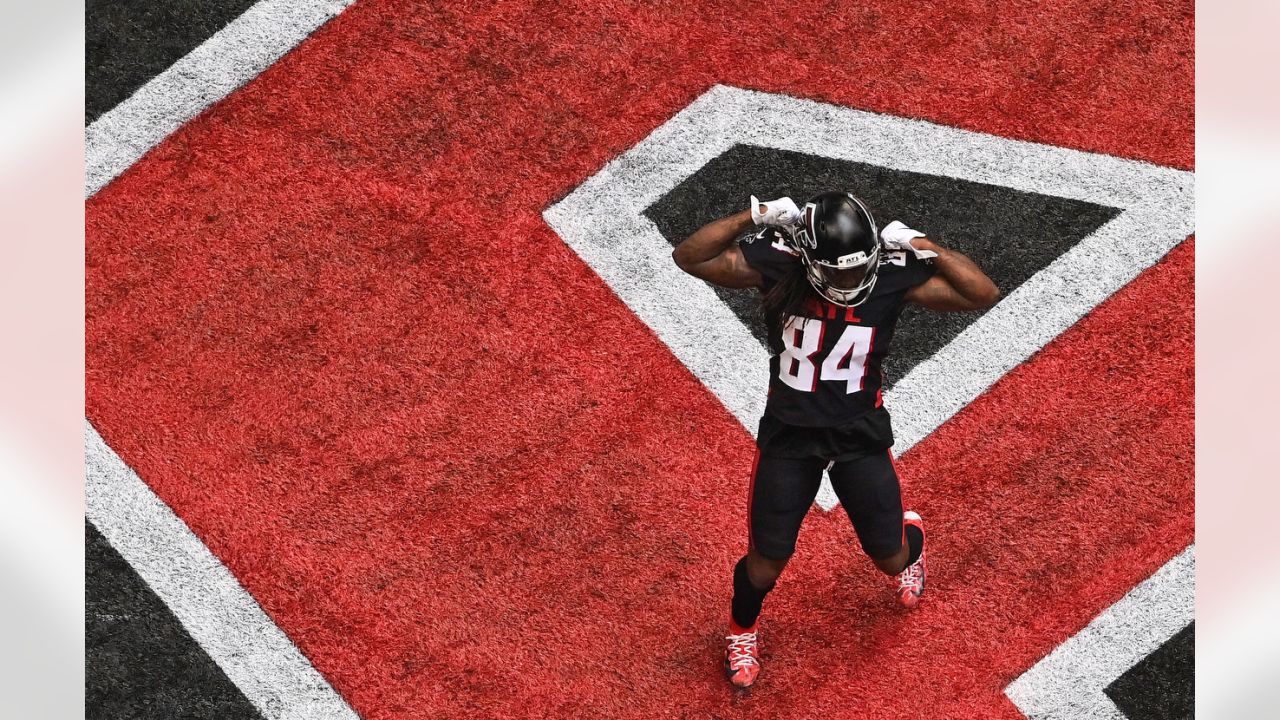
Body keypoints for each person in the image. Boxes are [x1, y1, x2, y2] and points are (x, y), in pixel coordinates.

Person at [672, 191, 1000, 688]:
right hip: (789, 436)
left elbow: (982, 293)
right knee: (766, 561)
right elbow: (689, 256)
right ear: (807, 256)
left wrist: (919, 242)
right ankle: (742, 630)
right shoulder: (782, 268)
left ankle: (914, 540)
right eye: (837, 271)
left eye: (856, 269)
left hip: (858, 434)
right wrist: (754, 215)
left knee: (889, 555)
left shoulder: (886, 274)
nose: (848, 280)